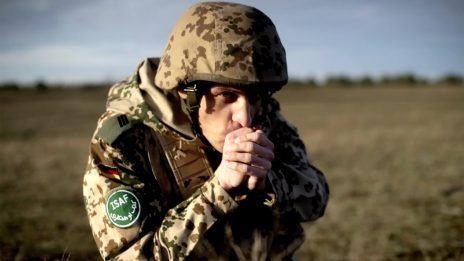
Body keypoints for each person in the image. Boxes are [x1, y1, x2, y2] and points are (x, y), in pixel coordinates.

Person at [83, 2, 329, 260]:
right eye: (226, 95)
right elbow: (130, 256)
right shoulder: (124, 141)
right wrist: (218, 191)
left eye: (256, 96)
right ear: (185, 91)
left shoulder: (264, 114)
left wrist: (270, 184)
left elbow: (317, 199)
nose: (245, 118)